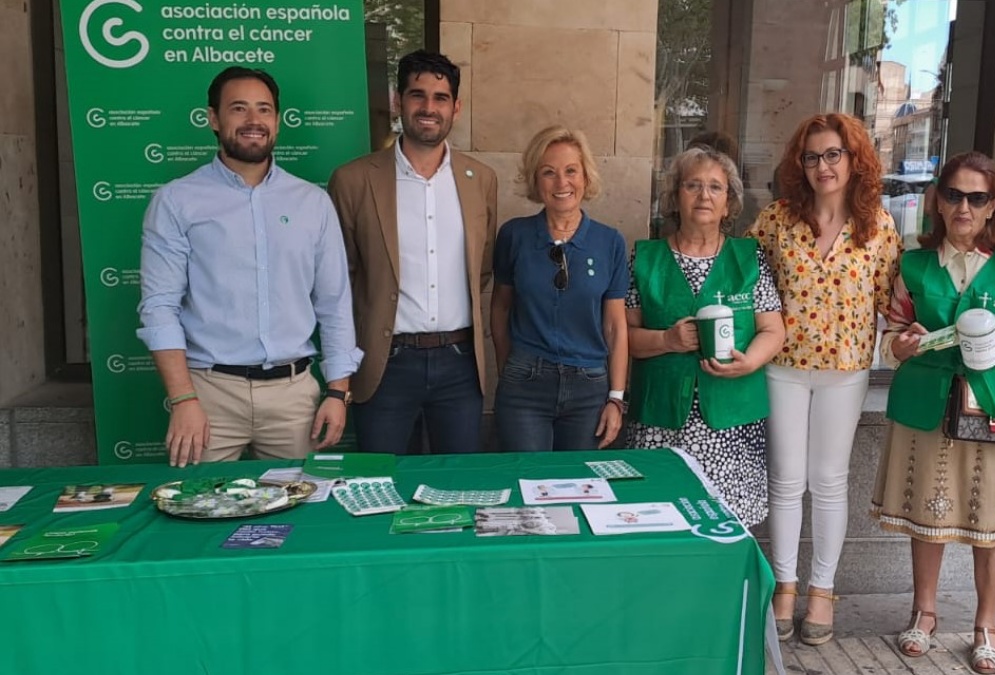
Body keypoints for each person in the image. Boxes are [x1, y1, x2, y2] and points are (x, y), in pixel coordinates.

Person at [138, 67, 361, 468]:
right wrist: (183, 399)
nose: (253, 121)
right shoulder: (176, 201)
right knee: (197, 513)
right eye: (238, 108)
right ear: (213, 118)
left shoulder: (312, 202)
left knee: (298, 518)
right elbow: (159, 308)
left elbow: (334, 304)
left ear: (277, 120)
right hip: (208, 395)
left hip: (294, 398)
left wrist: (338, 391)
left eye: (264, 110)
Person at [871, 152, 995, 674]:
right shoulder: (914, 263)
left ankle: (987, 623)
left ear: (994, 206)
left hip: (993, 403)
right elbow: (889, 336)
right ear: (937, 201)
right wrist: (902, 346)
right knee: (929, 511)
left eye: (977, 197)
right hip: (927, 400)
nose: (963, 206)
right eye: (953, 195)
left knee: (993, 516)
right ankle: (924, 613)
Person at [750, 112, 901, 644]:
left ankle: (823, 590)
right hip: (783, 366)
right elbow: (748, 288)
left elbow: (892, 302)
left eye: (833, 154)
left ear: (853, 159)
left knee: (829, 481)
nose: (823, 166)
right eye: (812, 156)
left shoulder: (878, 225)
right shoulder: (775, 221)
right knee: (787, 481)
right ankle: (785, 586)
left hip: (846, 370)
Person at [328, 50, 498, 455]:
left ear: (456, 108)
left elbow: (483, 268)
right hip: (386, 363)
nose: (428, 108)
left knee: (457, 490)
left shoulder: (482, 180)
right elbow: (340, 279)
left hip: (460, 365)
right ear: (397, 101)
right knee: (379, 489)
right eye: (417, 95)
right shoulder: (353, 180)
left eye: (440, 98)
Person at [625, 146, 785, 527]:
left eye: (716, 187)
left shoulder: (750, 257)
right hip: (660, 419)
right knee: (659, 520)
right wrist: (667, 341)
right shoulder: (644, 258)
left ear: (729, 202)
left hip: (734, 420)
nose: (704, 195)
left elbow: (773, 328)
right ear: (675, 197)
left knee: (728, 526)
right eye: (693, 185)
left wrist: (752, 360)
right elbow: (622, 337)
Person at [490, 126, 629, 451]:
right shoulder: (515, 236)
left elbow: (615, 325)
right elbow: (500, 307)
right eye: (548, 172)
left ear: (586, 176)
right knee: (526, 483)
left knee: (579, 486)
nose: (562, 183)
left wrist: (616, 398)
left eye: (571, 171)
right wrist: (507, 367)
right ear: (536, 181)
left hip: (589, 386)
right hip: (525, 383)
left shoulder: (609, 242)